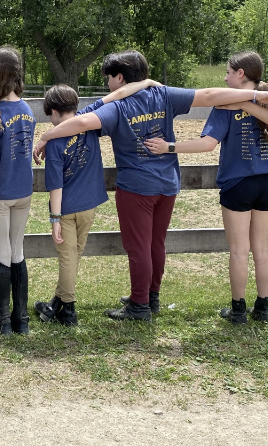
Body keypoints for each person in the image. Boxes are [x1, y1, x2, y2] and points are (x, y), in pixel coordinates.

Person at [33, 50, 268, 322]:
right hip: (167, 183)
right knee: (157, 243)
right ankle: (150, 296)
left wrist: (48, 135)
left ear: (119, 77)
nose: (108, 84)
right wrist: (256, 96)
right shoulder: (163, 94)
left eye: (109, 78)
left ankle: (139, 305)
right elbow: (209, 96)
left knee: (139, 247)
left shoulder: (118, 108)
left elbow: (83, 120)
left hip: (136, 187)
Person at [145, 51, 268, 325]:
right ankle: (264, 307)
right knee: (262, 249)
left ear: (240, 74)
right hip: (266, 182)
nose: (224, 78)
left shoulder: (225, 105)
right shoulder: (266, 98)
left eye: (227, 72)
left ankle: (238, 310)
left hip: (238, 182)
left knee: (238, 250)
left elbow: (207, 144)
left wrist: (169, 147)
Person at [35, 79, 162, 326]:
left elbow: (55, 186)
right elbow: (113, 97)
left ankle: (68, 311)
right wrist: (145, 82)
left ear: (52, 112)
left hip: (67, 208)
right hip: (89, 205)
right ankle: (57, 302)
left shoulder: (54, 144)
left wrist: (55, 219)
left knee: (67, 257)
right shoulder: (90, 121)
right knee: (74, 255)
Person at [0, 47, 35, 335]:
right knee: (17, 252)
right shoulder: (26, 109)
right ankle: (21, 321)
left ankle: (2, 322)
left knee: (1, 253)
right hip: (25, 192)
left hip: (0, 193)